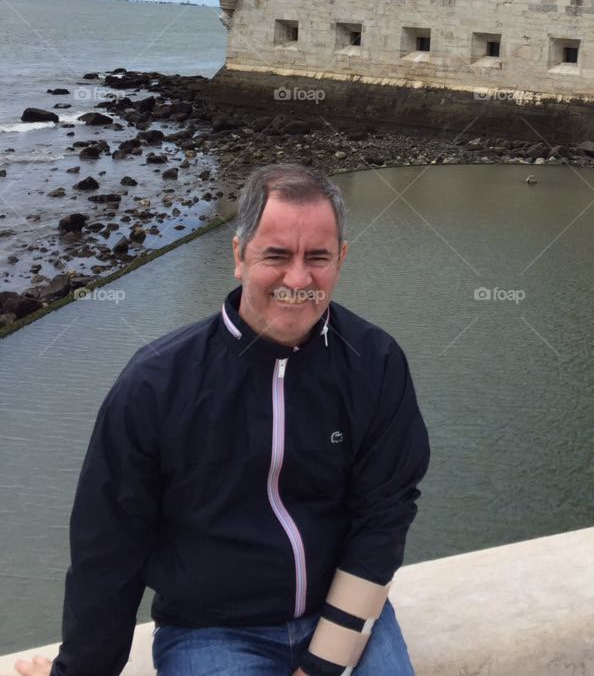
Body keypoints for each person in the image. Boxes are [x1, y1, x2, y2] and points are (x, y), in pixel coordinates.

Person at [10, 164, 429, 676]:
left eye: (317, 257)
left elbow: (385, 512)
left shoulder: (375, 360)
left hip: (340, 612)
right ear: (238, 255)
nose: (298, 279)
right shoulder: (155, 384)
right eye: (276, 256)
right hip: (212, 631)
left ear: (340, 258)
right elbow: (110, 547)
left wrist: (323, 664)